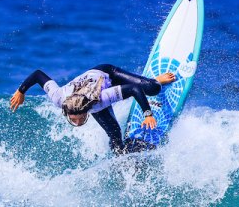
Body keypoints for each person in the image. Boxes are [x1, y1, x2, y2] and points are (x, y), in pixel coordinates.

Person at [10, 64, 176, 154]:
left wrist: (148, 114)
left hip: (107, 74)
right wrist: (21, 91)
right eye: (74, 119)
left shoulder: (101, 99)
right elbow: (38, 75)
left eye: (80, 118)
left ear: (85, 110)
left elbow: (134, 91)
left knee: (151, 89)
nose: (78, 122)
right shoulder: (59, 98)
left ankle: (155, 80)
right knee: (117, 143)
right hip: (91, 95)